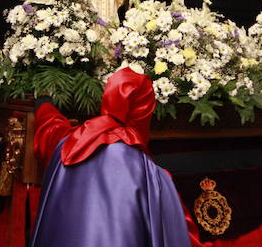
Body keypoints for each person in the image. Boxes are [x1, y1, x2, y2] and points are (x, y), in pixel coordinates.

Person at [30, 67, 190, 247]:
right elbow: (175, 232)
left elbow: (50, 127)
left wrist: (43, 101)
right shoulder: (148, 172)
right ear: (144, 112)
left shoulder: (72, 142)